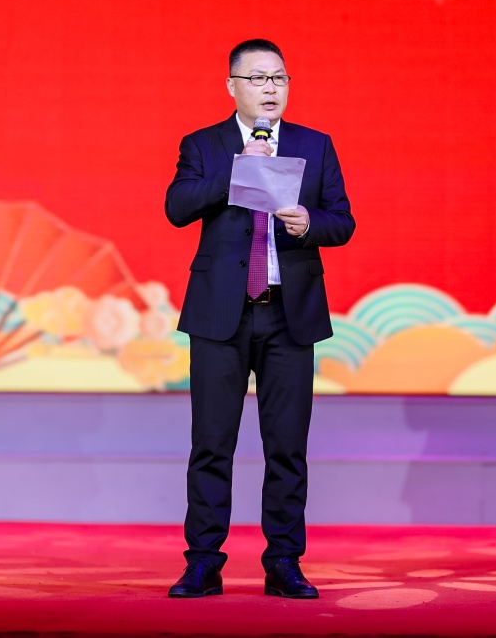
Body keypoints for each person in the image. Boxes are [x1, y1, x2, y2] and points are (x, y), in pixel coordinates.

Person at [164, 38, 355, 599]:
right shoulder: (204, 144)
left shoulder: (315, 145)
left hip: (289, 316)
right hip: (220, 316)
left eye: (279, 78)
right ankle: (203, 562)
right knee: (211, 445)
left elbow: (342, 222)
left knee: (287, 447)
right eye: (258, 79)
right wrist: (239, 171)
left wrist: (310, 224)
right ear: (232, 87)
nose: (270, 89)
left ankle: (284, 562)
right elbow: (177, 208)